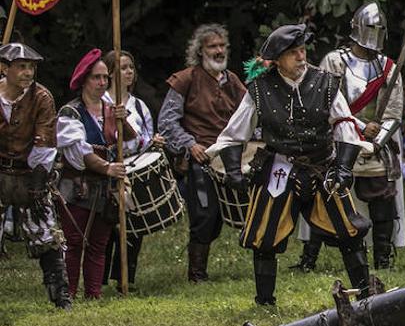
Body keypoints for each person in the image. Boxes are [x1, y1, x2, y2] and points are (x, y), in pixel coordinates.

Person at [207, 24, 372, 306]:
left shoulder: (327, 83)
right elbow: (235, 133)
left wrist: (343, 167)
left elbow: (345, 125)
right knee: (263, 236)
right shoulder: (259, 89)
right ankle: (264, 301)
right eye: (293, 52)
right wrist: (233, 171)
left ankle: (367, 295)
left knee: (349, 232)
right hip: (279, 167)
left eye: (302, 50)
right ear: (278, 59)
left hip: (323, 165)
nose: (301, 57)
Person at [301, 2, 405, 272]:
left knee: (382, 197)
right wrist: (360, 126)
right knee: (325, 194)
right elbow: (327, 102)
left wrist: (376, 139)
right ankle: (309, 259)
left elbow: (394, 112)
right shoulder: (335, 61)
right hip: (338, 139)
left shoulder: (389, 67)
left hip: (374, 146)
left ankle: (383, 259)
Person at [159, 23, 247, 284]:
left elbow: (248, 114)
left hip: (229, 158)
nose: (219, 51)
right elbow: (167, 122)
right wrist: (189, 144)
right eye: (212, 46)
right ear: (200, 51)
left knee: (221, 217)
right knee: (204, 215)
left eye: (222, 46)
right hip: (201, 158)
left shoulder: (232, 81)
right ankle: (196, 274)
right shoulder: (186, 79)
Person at [55, 49, 139, 301]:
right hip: (77, 186)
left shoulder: (112, 109)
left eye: (105, 77)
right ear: (84, 79)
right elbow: (79, 153)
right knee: (74, 242)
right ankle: (67, 294)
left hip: (106, 188)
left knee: (98, 244)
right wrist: (107, 167)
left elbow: (132, 143)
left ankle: (93, 294)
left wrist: (123, 122)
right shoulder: (70, 113)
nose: (102, 82)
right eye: (96, 77)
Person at [0, 43, 71, 309]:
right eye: (22, 67)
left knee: (47, 236)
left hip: (30, 174)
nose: (28, 72)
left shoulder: (41, 98)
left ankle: (61, 298)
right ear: (5, 69)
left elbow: (45, 145)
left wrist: (37, 186)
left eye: (31, 67)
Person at [101, 49, 163, 289]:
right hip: (109, 167)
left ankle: (125, 277)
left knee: (134, 226)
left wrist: (153, 143)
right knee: (109, 226)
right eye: (123, 68)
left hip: (133, 168)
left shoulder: (139, 106)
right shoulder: (102, 102)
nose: (129, 72)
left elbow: (144, 138)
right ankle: (102, 278)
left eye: (131, 67)